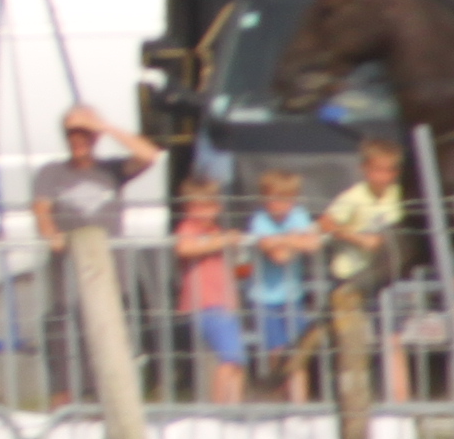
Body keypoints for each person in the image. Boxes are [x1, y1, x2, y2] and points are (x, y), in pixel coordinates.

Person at [26, 107, 158, 402]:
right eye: (72, 133)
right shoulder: (51, 173)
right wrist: (51, 233)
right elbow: (41, 209)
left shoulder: (112, 171)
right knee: (64, 368)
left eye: (85, 133)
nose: (78, 139)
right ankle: (64, 420)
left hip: (110, 284)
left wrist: (105, 125)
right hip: (67, 288)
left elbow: (149, 156)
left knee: (107, 368)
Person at [310, 138, 410, 406]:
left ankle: (401, 403)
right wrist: (358, 238)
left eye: (389, 170)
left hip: (386, 276)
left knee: (393, 337)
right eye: (377, 170)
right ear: (365, 169)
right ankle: (354, 403)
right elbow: (325, 222)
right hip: (353, 277)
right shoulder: (353, 197)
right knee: (352, 343)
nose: (383, 177)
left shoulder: (399, 196)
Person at [240, 163, 324, 399]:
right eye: (273, 198)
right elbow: (278, 256)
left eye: (285, 199)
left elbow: (313, 244)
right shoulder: (259, 220)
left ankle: (299, 405)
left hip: (292, 296)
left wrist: (284, 241)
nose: (279, 205)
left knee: (298, 352)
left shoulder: (299, 215)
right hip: (264, 299)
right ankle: (280, 397)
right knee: (277, 352)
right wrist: (294, 239)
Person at [171, 181, 248, 404]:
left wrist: (233, 244)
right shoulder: (188, 228)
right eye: (195, 207)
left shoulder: (215, 230)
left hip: (225, 303)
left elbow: (236, 265)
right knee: (229, 358)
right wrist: (222, 241)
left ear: (217, 207)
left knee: (237, 361)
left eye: (206, 206)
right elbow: (184, 248)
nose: (201, 212)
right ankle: (220, 411)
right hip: (205, 303)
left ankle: (234, 409)